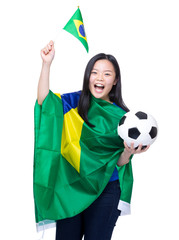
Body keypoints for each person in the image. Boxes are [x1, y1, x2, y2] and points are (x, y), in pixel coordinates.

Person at [37, 40, 150, 240]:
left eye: (107, 74)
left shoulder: (124, 118)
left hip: (105, 191)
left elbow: (119, 162)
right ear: (88, 77)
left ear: (115, 80)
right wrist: (46, 64)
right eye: (95, 72)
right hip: (71, 188)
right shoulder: (73, 103)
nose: (100, 78)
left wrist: (128, 152)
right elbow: (45, 103)